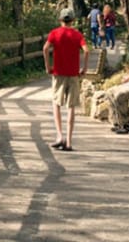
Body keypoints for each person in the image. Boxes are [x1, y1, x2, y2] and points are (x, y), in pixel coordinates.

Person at [42, 8, 90, 151]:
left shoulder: (55, 33)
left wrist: (48, 66)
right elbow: (86, 50)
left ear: (60, 20)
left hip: (58, 73)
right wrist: (85, 68)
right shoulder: (77, 35)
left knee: (56, 103)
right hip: (73, 74)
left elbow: (45, 49)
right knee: (71, 107)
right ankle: (69, 141)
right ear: (73, 21)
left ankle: (59, 136)